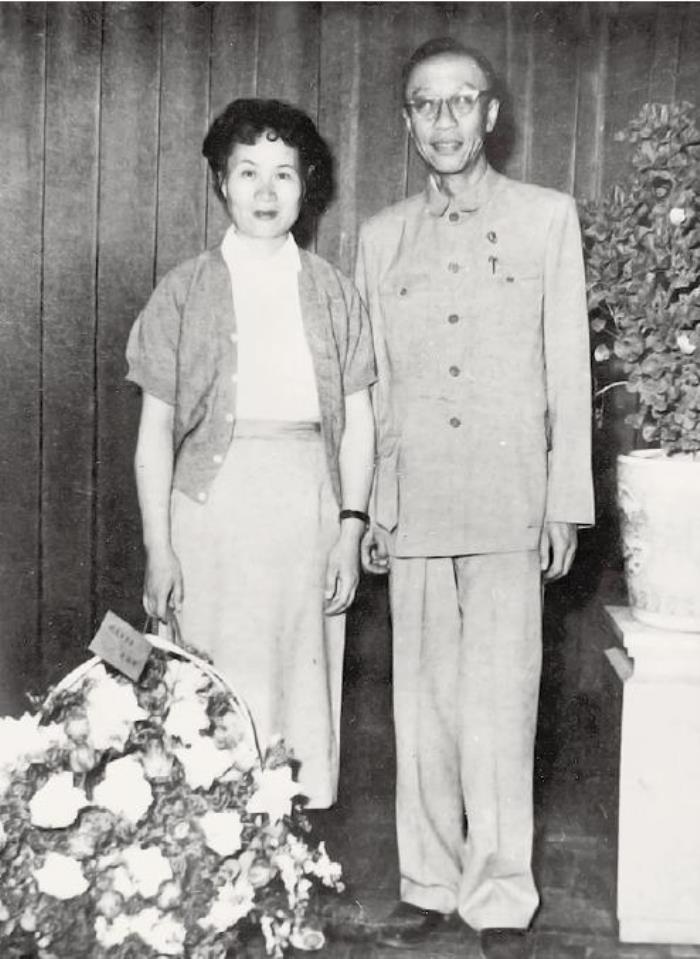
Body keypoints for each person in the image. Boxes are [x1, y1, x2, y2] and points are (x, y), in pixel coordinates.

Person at [356, 38, 594, 959]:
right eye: (427, 104)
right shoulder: (381, 236)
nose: (445, 120)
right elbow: (375, 387)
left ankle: (498, 894)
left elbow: (568, 371)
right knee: (422, 709)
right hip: (415, 503)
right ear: (407, 120)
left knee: (499, 704)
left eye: (463, 101)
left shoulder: (546, 218)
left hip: (509, 501)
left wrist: (564, 501)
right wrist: (374, 505)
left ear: (491, 114)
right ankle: (426, 880)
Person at [126, 98, 376, 811]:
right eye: (248, 173)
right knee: (206, 691)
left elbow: (359, 423)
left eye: (284, 174)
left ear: (307, 185)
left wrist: (350, 531)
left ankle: (282, 856)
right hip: (211, 519)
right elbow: (154, 435)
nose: (266, 192)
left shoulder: (333, 292)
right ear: (221, 182)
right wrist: (159, 548)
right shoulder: (182, 291)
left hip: (307, 518)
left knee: (296, 693)